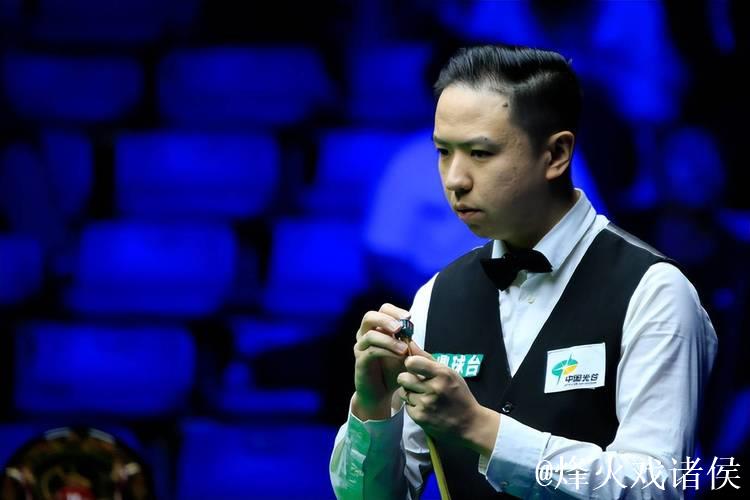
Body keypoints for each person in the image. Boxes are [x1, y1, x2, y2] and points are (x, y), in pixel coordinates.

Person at [329, 45, 717, 499]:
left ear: (556, 154)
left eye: (480, 153)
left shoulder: (655, 292)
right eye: (443, 152)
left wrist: (480, 428)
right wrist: (374, 411)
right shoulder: (437, 296)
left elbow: (657, 487)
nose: (454, 179)